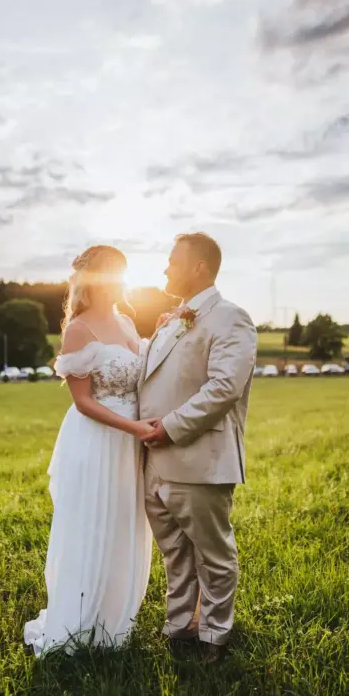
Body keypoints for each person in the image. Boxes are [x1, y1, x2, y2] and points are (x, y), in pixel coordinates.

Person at [24, 245, 154, 656]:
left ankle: (114, 623)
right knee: (94, 524)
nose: (120, 282)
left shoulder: (128, 322)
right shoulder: (79, 329)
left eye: (124, 274)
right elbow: (83, 402)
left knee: (123, 524)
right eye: (114, 274)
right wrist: (133, 427)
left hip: (130, 445)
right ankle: (79, 620)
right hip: (98, 441)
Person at [138, 233, 258, 664]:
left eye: (173, 261)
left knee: (213, 553)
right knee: (173, 552)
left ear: (199, 267)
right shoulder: (172, 320)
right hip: (154, 461)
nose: (166, 269)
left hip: (198, 458)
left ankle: (214, 635)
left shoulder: (231, 318)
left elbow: (224, 387)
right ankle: (179, 626)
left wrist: (168, 428)